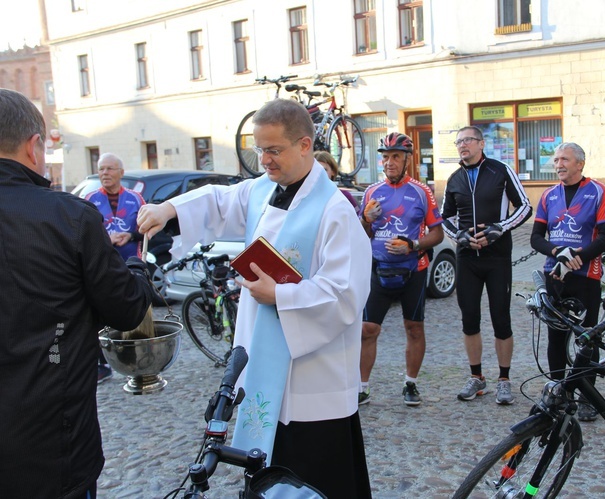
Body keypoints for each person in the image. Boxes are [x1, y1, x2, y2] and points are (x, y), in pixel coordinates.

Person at [137, 98, 372, 498]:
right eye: (258, 149)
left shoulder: (334, 210)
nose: (263, 159)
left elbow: (345, 295)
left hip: (310, 379)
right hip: (265, 363)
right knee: (269, 471)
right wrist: (168, 208)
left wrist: (279, 294)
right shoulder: (264, 189)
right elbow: (217, 199)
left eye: (273, 149)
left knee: (316, 478)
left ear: (304, 146)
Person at [0, 88, 152, 498]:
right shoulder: (67, 214)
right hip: (50, 442)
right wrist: (137, 264)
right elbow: (126, 310)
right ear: (34, 146)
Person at [441, 126, 532, 405]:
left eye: (467, 140)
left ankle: (504, 379)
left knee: (501, 319)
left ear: (481, 143)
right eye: (458, 142)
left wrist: (499, 228)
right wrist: (460, 236)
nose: (461, 145)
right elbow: (444, 218)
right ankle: (477, 377)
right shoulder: (454, 178)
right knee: (469, 319)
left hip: (497, 257)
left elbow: (525, 207)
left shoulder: (500, 170)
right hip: (467, 258)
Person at [530, 142, 605, 421]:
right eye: (555, 161)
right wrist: (557, 252)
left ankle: (587, 395)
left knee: (588, 338)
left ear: (580, 163)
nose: (558, 165)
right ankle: (558, 390)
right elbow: (536, 238)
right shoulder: (548, 195)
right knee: (555, 336)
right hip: (555, 275)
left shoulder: (599, 191)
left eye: (564, 159)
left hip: (586, 276)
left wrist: (578, 255)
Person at [358, 132, 444, 406]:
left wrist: (413, 245)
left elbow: (438, 234)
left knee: (414, 328)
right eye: (385, 157)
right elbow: (361, 234)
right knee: (368, 329)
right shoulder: (372, 191)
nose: (389, 162)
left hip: (413, 270)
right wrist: (366, 220)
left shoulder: (421, 191)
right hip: (378, 269)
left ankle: (411, 384)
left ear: (408, 158)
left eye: (395, 156)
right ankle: (362, 388)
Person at [85, 152, 146, 383]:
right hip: (101, 267)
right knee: (100, 315)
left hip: (130, 266)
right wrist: (105, 240)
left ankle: (138, 358)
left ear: (121, 172)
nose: (105, 173)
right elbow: (82, 232)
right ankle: (103, 363)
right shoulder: (89, 199)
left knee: (133, 312)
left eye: (110, 169)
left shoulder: (136, 198)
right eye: (101, 169)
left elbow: (147, 229)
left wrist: (130, 235)